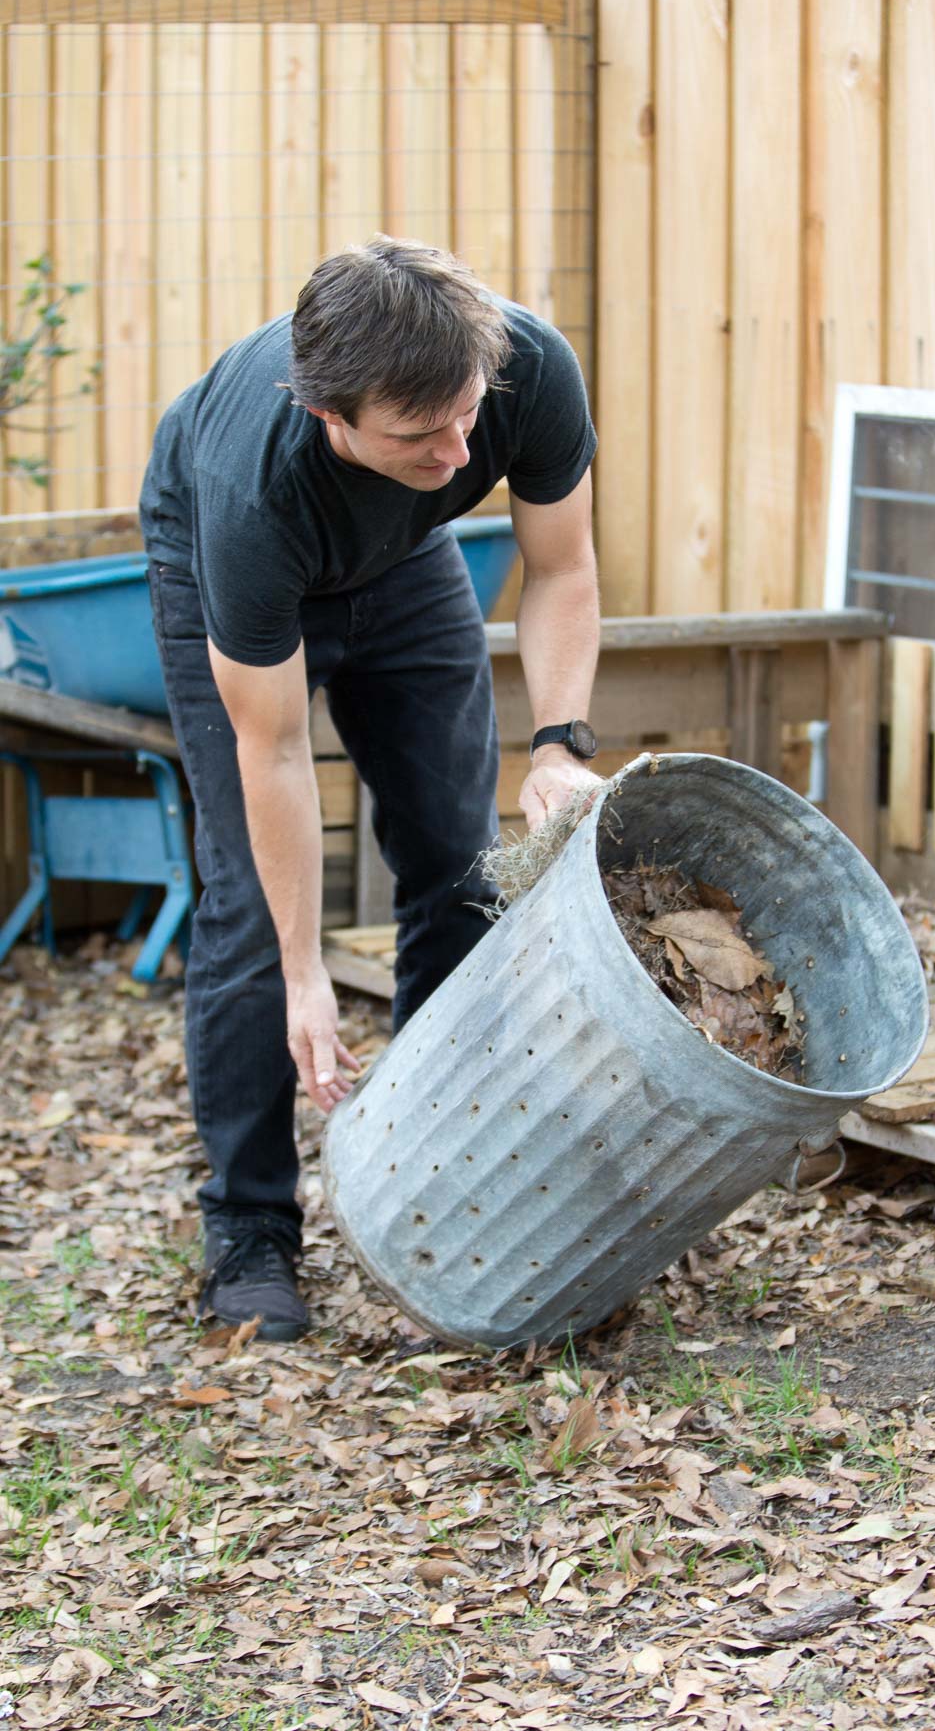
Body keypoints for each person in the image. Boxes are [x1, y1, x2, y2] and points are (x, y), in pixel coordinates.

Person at [138, 236, 602, 1341]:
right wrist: (307, 974)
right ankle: (249, 1228)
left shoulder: (523, 367)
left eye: (464, 415)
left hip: (401, 560)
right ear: (329, 415)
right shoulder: (253, 490)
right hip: (239, 566)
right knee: (252, 908)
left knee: (458, 862)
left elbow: (563, 568)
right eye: (417, 432)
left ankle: (435, 1164)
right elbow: (278, 753)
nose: (457, 449)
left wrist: (557, 746)